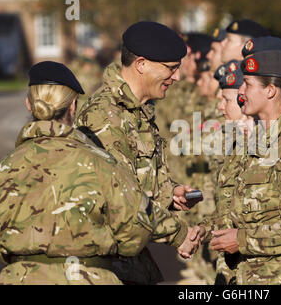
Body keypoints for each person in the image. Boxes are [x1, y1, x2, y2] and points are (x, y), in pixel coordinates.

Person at [0, 61, 201, 285]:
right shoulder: (100, 163)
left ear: (29, 104)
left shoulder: (5, 169)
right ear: (73, 106)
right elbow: (136, 224)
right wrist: (180, 235)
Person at [75, 21, 203, 285]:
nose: (177, 77)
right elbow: (121, 204)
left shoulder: (137, 111)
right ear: (141, 64)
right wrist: (179, 234)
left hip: (129, 261)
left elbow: (136, 178)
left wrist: (170, 193)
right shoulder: (104, 117)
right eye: (170, 68)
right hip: (106, 267)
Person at [204, 50, 281, 285]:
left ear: (270, 91)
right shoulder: (257, 142)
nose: (241, 93)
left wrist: (242, 240)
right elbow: (236, 211)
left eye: (248, 85)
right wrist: (199, 232)